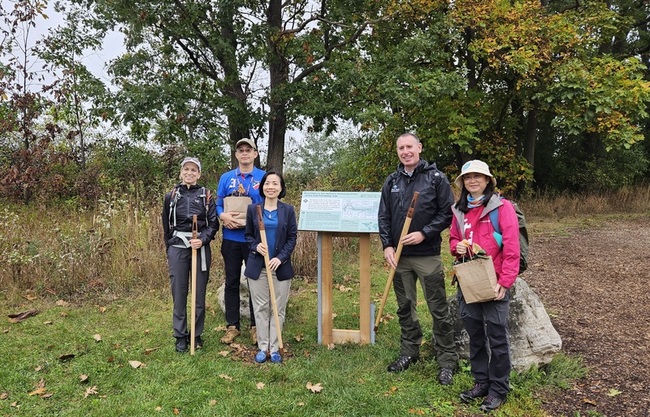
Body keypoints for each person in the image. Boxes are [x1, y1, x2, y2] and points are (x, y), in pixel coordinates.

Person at [378, 132, 458, 385]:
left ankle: (447, 359)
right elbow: (384, 216)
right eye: (401, 148)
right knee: (405, 307)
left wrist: (424, 233)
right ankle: (409, 351)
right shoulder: (392, 181)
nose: (405, 151)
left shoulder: (435, 178)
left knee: (438, 308)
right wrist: (387, 246)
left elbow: (447, 213)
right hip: (399, 258)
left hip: (427, 255)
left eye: (409, 146)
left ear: (419, 148)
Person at [449, 160, 520, 412]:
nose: (473, 181)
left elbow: (512, 248)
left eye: (478, 176)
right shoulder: (459, 210)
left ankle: (499, 389)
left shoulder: (503, 208)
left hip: (494, 283)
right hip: (468, 281)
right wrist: (455, 246)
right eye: (468, 177)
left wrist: (505, 282)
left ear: (488, 180)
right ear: (463, 183)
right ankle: (481, 382)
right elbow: (453, 239)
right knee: (476, 335)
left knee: (497, 337)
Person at [162, 157, 218, 352]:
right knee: (179, 292)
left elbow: (213, 224)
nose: (189, 173)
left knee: (199, 292)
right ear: (181, 172)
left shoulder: (206, 195)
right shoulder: (171, 196)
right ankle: (180, 334)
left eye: (194, 170)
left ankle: (195, 333)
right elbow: (166, 225)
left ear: (199, 174)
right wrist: (170, 246)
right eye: (186, 169)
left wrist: (202, 239)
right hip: (178, 247)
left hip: (199, 247)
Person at [244, 171, 297, 364]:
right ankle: (262, 346)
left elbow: (292, 238)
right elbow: (248, 236)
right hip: (258, 266)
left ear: (281, 188)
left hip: (279, 267)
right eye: (267, 183)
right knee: (261, 307)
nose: (271, 187)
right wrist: (256, 246)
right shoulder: (253, 209)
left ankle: (275, 348)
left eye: (275, 183)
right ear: (262, 186)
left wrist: (281, 258)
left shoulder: (288, 210)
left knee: (278, 308)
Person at [216, 138, 266, 344]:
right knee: (232, 281)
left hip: (253, 239)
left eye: (249, 150)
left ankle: (256, 326)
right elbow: (218, 204)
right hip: (231, 238)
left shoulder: (263, 177)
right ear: (236, 155)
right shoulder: (227, 178)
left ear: (255, 154)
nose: (244, 154)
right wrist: (223, 217)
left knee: (255, 281)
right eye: (241, 151)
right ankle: (232, 326)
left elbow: (270, 204)